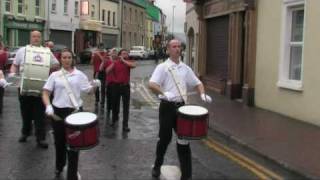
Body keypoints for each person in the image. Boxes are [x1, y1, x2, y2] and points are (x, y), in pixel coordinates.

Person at [148, 39, 212, 180]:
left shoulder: (185, 68)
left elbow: (197, 83)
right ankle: (157, 166)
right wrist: (164, 93)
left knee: (184, 140)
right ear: (168, 50)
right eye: (174, 46)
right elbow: (152, 84)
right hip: (167, 108)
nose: (177, 49)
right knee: (164, 140)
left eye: (179, 46)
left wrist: (202, 93)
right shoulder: (163, 67)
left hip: (182, 109)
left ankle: (187, 176)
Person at [42, 48, 100, 179]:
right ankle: (59, 165)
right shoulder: (54, 75)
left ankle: (72, 172)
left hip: (75, 113)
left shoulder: (79, 75)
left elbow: (89, 91)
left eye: (69, 57)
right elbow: (45, 92)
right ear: (60, 59)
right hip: (58, 112)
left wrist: (96, 85)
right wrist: (48, 106)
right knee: (59, 142)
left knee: (74, 144)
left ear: (72, 59)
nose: (67, 60)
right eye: (64, 57)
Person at [9, 30, 59, 148]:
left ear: (41, 38)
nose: (36, 38)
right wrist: (12, 73)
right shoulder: (22, 51)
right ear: (30, 38)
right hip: (24, 87)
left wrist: (46, 66)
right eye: (34, 36)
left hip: (40, 89)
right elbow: (15, 65)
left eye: (38, 36)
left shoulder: (47, 52)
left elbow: (56, 64)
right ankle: (25, 133)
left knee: (39, 115)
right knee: (25, 113)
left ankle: (40, 138)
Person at [105, 49, 136, 131]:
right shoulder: (116, 62)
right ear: (120, 55)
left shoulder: (128, 62)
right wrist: (113, 63)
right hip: (116, 86)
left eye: (126, 54)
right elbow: (107, 71)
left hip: (125, 86)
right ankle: (114, 120)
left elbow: (133, 66)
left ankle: (125, 125)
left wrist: (123, 60)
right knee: (115, 105)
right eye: (123, 54)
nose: (125, 55)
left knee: (126, 106)